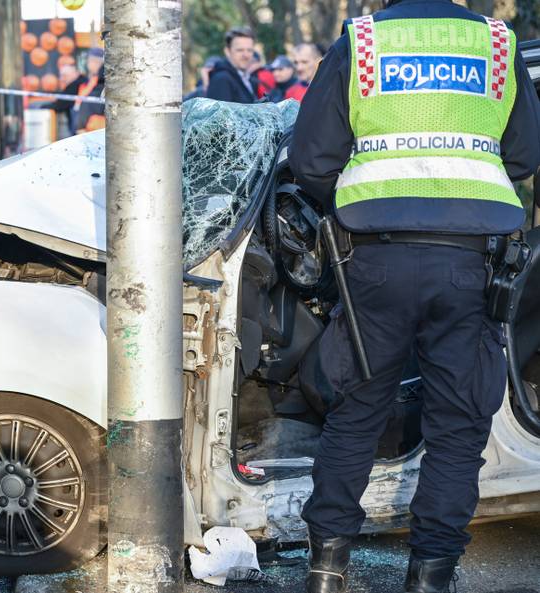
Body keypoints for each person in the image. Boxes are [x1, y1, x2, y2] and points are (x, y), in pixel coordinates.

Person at [289, 1, 540, 592]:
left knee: (355, 414)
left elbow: (312, 160)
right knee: (458, 426)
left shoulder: (364, 40)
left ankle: (327, 570)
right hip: (470, 264)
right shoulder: (497, 45)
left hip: (372, 259)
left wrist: (358, 205)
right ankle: (431, 575)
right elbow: (525, 158)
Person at [206, 27, 264, 104]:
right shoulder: (222, 79)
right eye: (240, 50)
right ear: (227, 51)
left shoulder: (248, 79)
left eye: (249, 50)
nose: (246, 55)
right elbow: (220, 115)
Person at [37, 63, 87, 136]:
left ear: (76, 74)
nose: (62, 79)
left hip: (82, 125)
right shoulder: (83, 82)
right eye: (61, 76)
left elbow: (60, 105)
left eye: (65, 76)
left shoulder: (74, 85)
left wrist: (42, 107)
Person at [74, 47, 105, 133]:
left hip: (91, 124)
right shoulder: (84, 81)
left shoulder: (101, 82)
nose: (90, 63)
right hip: (80, 117)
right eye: (90, 60)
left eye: (94, 61)